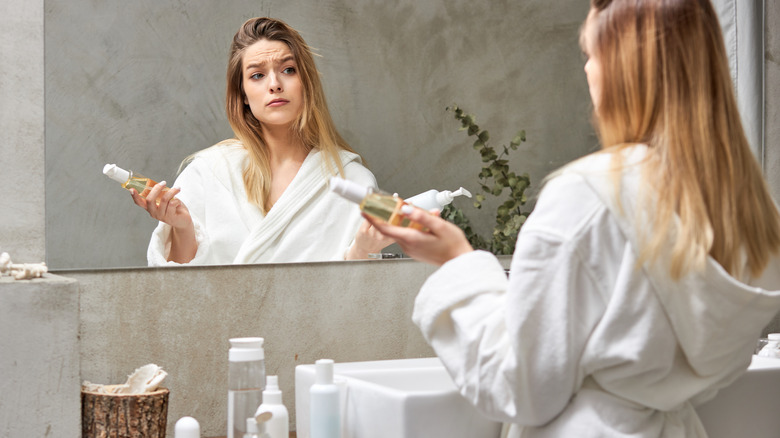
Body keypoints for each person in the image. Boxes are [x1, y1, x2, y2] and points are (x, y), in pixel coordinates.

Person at [366, 0, 780, 436]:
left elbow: (519, 386)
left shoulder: (591, 195)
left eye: (592, 54)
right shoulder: (749, 212)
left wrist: (456, 261)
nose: (587, 70)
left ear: (625, 71)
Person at [130, 17, 391, 265]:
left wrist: (363, 250)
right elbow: (179, 294)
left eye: (288, 70)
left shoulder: (353, 182)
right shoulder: (208, 174)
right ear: (242, 93)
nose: (275, 84)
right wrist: (182, 229)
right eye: (257, 75)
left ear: (306, 83)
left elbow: (361, 301)